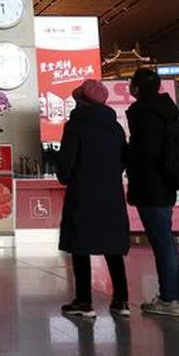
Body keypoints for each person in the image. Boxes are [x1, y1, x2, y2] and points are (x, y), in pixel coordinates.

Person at [57, 79, 130, 319]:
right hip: (111, 194)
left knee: (81, 247)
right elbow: (122, 161)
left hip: (83, 195)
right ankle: (121, 301)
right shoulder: (116, 128)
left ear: (81, 101)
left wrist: (68, 175)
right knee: (113, 248)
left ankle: (84, 301)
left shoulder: (75, 126)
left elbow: (65, 168)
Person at [126, 68, 179, 317]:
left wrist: (126, 156)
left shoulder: (142, 113)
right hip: (167, 182)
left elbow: (143, 152)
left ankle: (168, 299)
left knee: (161, 241)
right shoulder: (167, 110)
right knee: (167, 240)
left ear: (138, 87)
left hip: (149, 184)